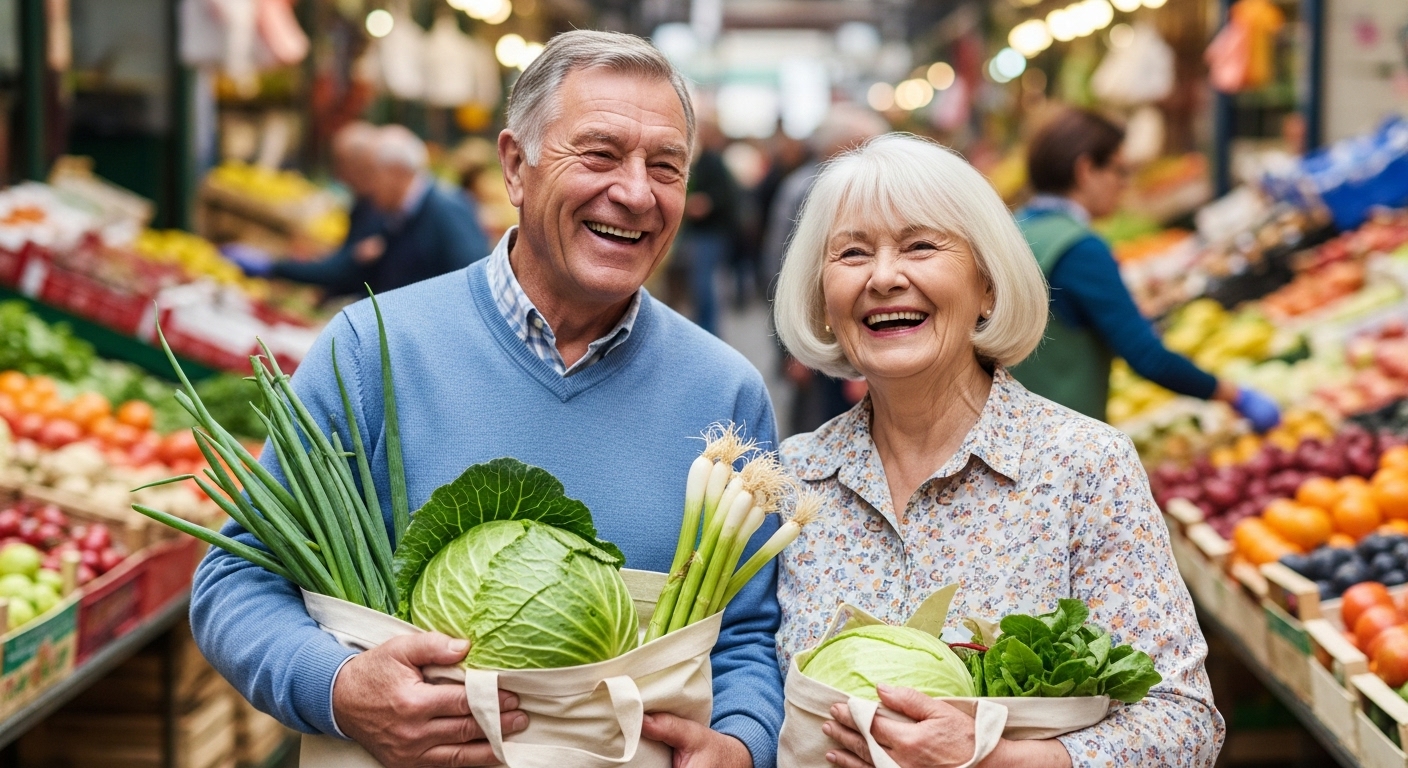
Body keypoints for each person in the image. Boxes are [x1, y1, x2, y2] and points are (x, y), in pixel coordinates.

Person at [190, 30, 783, 768]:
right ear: (515, 166)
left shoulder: (726, 393)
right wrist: (340, 688)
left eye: (665, 167)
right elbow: (237, 579)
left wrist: (742, 743)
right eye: (599, 154)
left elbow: (747, 634)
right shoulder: (370, 351)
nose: (636, 193)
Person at [772, 134, 1223, 766]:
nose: (884, 277)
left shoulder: (1085, 465)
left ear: (987, 286)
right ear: (822, 299)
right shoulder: (792, 479)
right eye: (852, 253)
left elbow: (1185, 723)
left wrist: (988, 759)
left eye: (920, 246)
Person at [1009, 108, 1280, 432]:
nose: (1124, 185)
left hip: (1010, 429)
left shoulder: (1014, 230)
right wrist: (1235, 396)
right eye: (1120, 170)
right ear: (1086, 170)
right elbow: (1147, 356)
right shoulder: (1079, 249)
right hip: (1057, 437)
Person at [761, 105, 888, 436]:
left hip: (853, 327)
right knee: (822, 424)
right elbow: (779, 269)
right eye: (867, 144)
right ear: (839, 146)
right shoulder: (807, 189)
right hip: (821, 331)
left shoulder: (866, 188)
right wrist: (792, 347)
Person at [226, 121, 388, 295]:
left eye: (340, 162)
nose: (337, 172)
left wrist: (276, 267)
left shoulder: (381, 211)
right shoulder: (362, 205)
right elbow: (350, 259)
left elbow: (346, 267)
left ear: (359, 165)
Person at [358, 125, 489, 292]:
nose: (367, 185)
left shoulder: (447, 209)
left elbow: (473, 279)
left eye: (371, 173)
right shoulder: (397, 213)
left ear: (396, 171)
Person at [679, 117, 741, 335]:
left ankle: (707, 330)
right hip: (704, 232)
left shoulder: (713, 161)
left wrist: (704, 203)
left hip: (710, 232)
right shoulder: (705, 160)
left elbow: (725, 196)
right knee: (702, 284)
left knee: (704, 284)